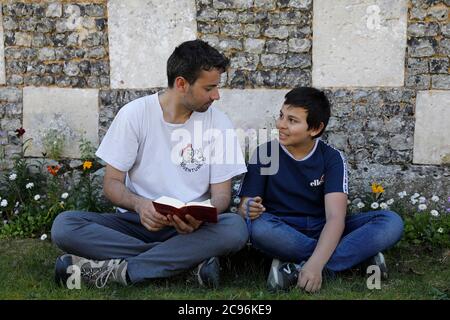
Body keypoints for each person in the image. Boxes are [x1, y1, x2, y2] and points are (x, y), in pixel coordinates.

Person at [51, 39, 248, 289]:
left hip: (191, 229)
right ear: (181, 84)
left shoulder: (219, 123)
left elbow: (221, 196)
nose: (216, 95)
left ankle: (119, 271)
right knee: (65, 226)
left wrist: (200, 215)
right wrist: (140, 205)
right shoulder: (135, 114)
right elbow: (111, 184)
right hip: (136, 223)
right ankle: (182, 265)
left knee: (235, 228)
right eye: (209, 88)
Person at [238, 87, 404, 293]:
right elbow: (245, 207)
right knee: (257, 227)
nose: (281, 124)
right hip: (282, 229)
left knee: (390, 222)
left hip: (323, 226)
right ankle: (352, 257)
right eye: (281, 116)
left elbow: (335, 218)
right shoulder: (266, 153)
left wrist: (315, 265)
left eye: (292, 120)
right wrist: (249, 208)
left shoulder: (331, 158)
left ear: (315, 129)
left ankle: (297, 268)